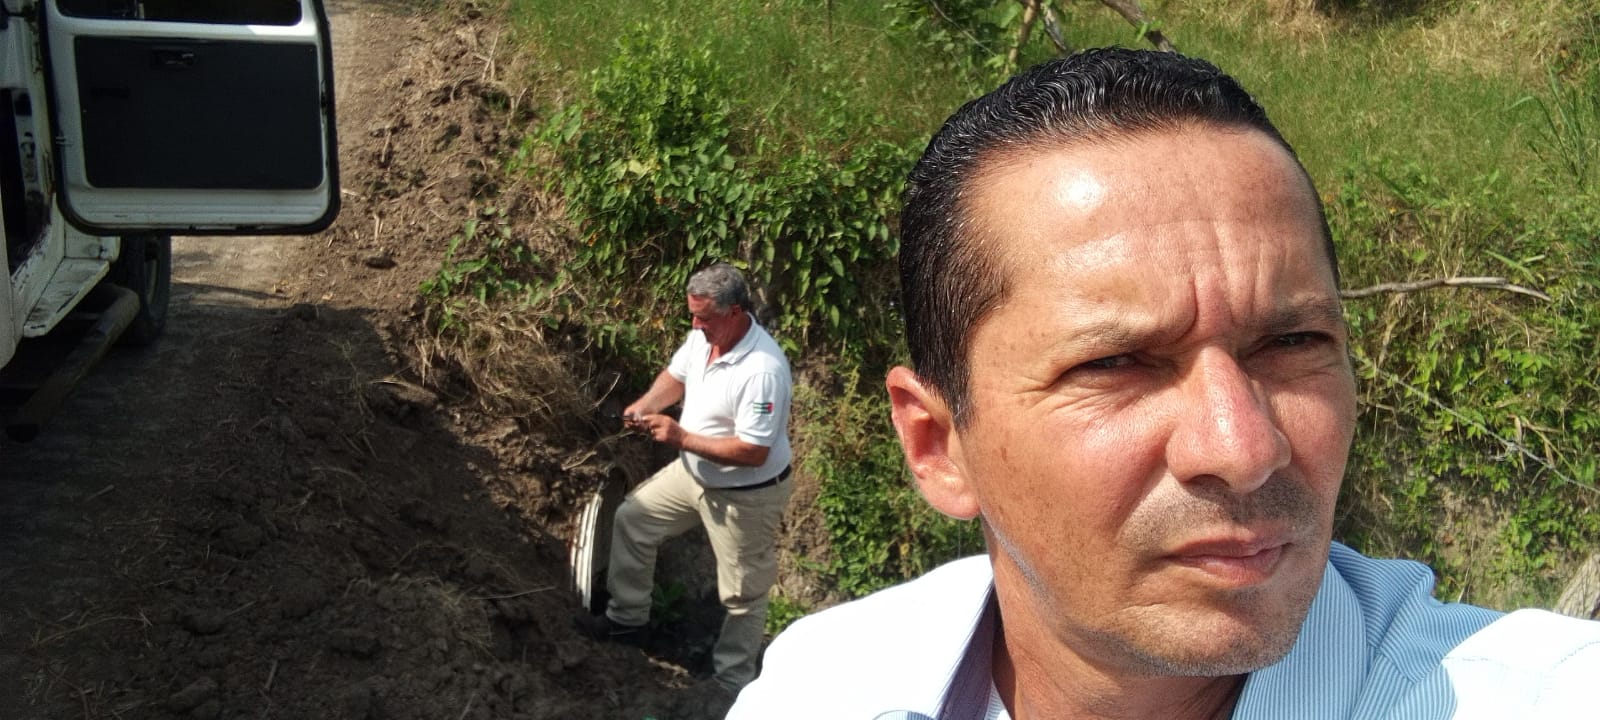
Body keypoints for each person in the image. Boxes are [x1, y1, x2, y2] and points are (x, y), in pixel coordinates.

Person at [728, 48, 1600, 719]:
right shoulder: (826, 684)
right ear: (937, 445)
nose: (1244, 447)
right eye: (1114, 364)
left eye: (1293, 342)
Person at [577, 262, 794, 694]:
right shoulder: (703, 337)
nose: (695, 326)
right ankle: (627, 623)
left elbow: (753, 452)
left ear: (735, 312)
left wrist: (680, 437)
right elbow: (675, 377)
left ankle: (730, 684)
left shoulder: (762, 370)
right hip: (694, 474)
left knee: (742, 593)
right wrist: (645, 406)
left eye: (704, 318)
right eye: (692, 316)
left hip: (746, 494)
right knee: (633, 520)